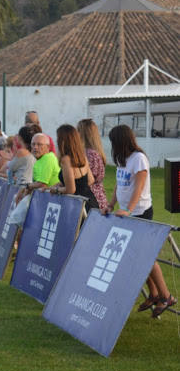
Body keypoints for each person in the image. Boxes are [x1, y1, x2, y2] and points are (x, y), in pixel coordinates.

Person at [106, 124, 175, 318]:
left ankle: (166, 296)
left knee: (145, 257)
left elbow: (139, 187)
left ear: (121, 141)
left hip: (140, 213)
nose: (112, 146)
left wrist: (128, 209)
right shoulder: (123, 159)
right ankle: (154, 294)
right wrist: (111, 205)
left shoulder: (139, 159)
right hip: (127, 213)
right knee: (136, 257)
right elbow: (120, 185)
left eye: (114, 142)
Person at [48, 124, 98, 210]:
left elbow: (71, 190)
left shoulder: (66, 160)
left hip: (77, 205)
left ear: (63, 141)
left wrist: (56, 190)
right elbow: (90, 180)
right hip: (90, 200)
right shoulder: (82, 156)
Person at [15, 133, 60, 203]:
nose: (35, 147)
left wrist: (27, 187)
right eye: (33, 144)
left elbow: (42, 184)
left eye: (39, 144)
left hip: (53, 200)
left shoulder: (48, 158)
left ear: (48, 147)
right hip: (46, 198)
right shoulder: (38, 158)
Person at [77, 118, 108, 211]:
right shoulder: (94, 152)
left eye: (78, 131)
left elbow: (88, 180)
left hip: (91, 199)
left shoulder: (90, 154)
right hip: (95, 197)